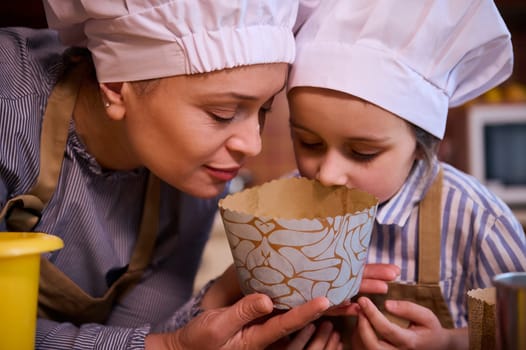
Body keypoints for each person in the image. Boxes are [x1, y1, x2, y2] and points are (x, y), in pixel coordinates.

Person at [0, 1, 400, 349]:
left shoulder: (196, 182)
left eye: (263, 110)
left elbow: (137, 335)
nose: (252, 145)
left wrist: (225, 295)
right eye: (222, 114)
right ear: (118, 85)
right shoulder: (8, 107)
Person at [286, 0, 526, 349]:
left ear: (422, 144)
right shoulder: (287, 210)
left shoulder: (472, 221)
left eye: (362, 152)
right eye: (309, 143)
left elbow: (510, 332)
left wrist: (449, 342)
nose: (328, 175)